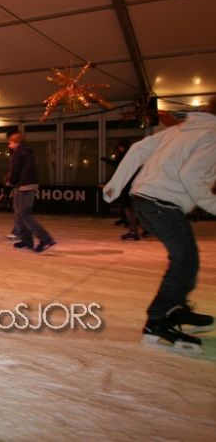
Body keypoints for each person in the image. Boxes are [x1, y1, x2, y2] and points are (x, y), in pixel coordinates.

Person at [103, 97, 216, 353]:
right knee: (184, 259)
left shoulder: (182, 129)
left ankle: (176, 309)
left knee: (187, 258)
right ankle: (157, 320)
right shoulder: (212, 136)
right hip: (160, 202)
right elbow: (191, 176)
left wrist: (114, 186)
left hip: (147, 198)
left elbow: (138, 149)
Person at [5, 130, 56, 253]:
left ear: (16, 142)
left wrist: (9, 183)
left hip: (25, 186)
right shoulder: (25, 152)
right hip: (23, 185)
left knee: (24, 213)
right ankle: (27, 240)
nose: (9, 145)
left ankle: (45, 239)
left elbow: (15, 171)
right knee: (19, 214)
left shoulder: (19, 152)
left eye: (10, 142)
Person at [102, 139, 141, 240]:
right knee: (130, 208)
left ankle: (134, 231)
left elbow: (119, 171)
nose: (118, 149)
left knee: (129, 208)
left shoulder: (125, 157)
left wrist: (109, 183)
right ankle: (134, 230)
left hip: (127, 186)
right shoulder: (129, 156)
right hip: (130, 186)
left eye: (119, 147)